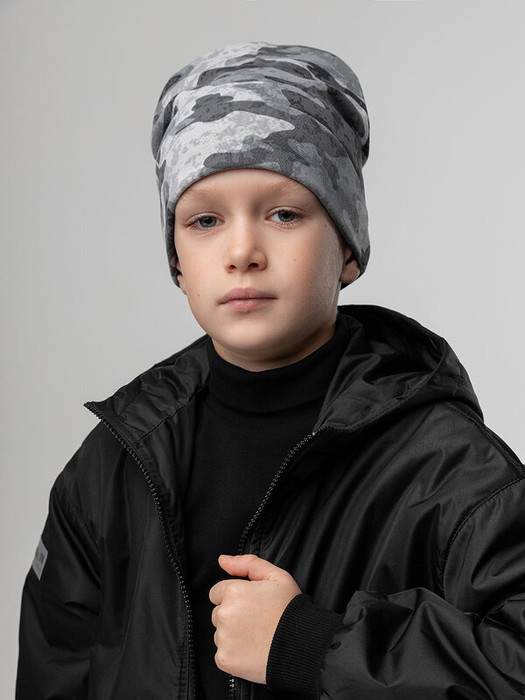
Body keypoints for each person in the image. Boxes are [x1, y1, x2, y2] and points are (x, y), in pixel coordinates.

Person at [16, 41, 525, 699]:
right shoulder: (111, 469)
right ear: (177, 262)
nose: (242, 251)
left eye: (284, 213)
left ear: (347, 246)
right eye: (204, 220)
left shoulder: (450, 473)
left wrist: (309, 648)